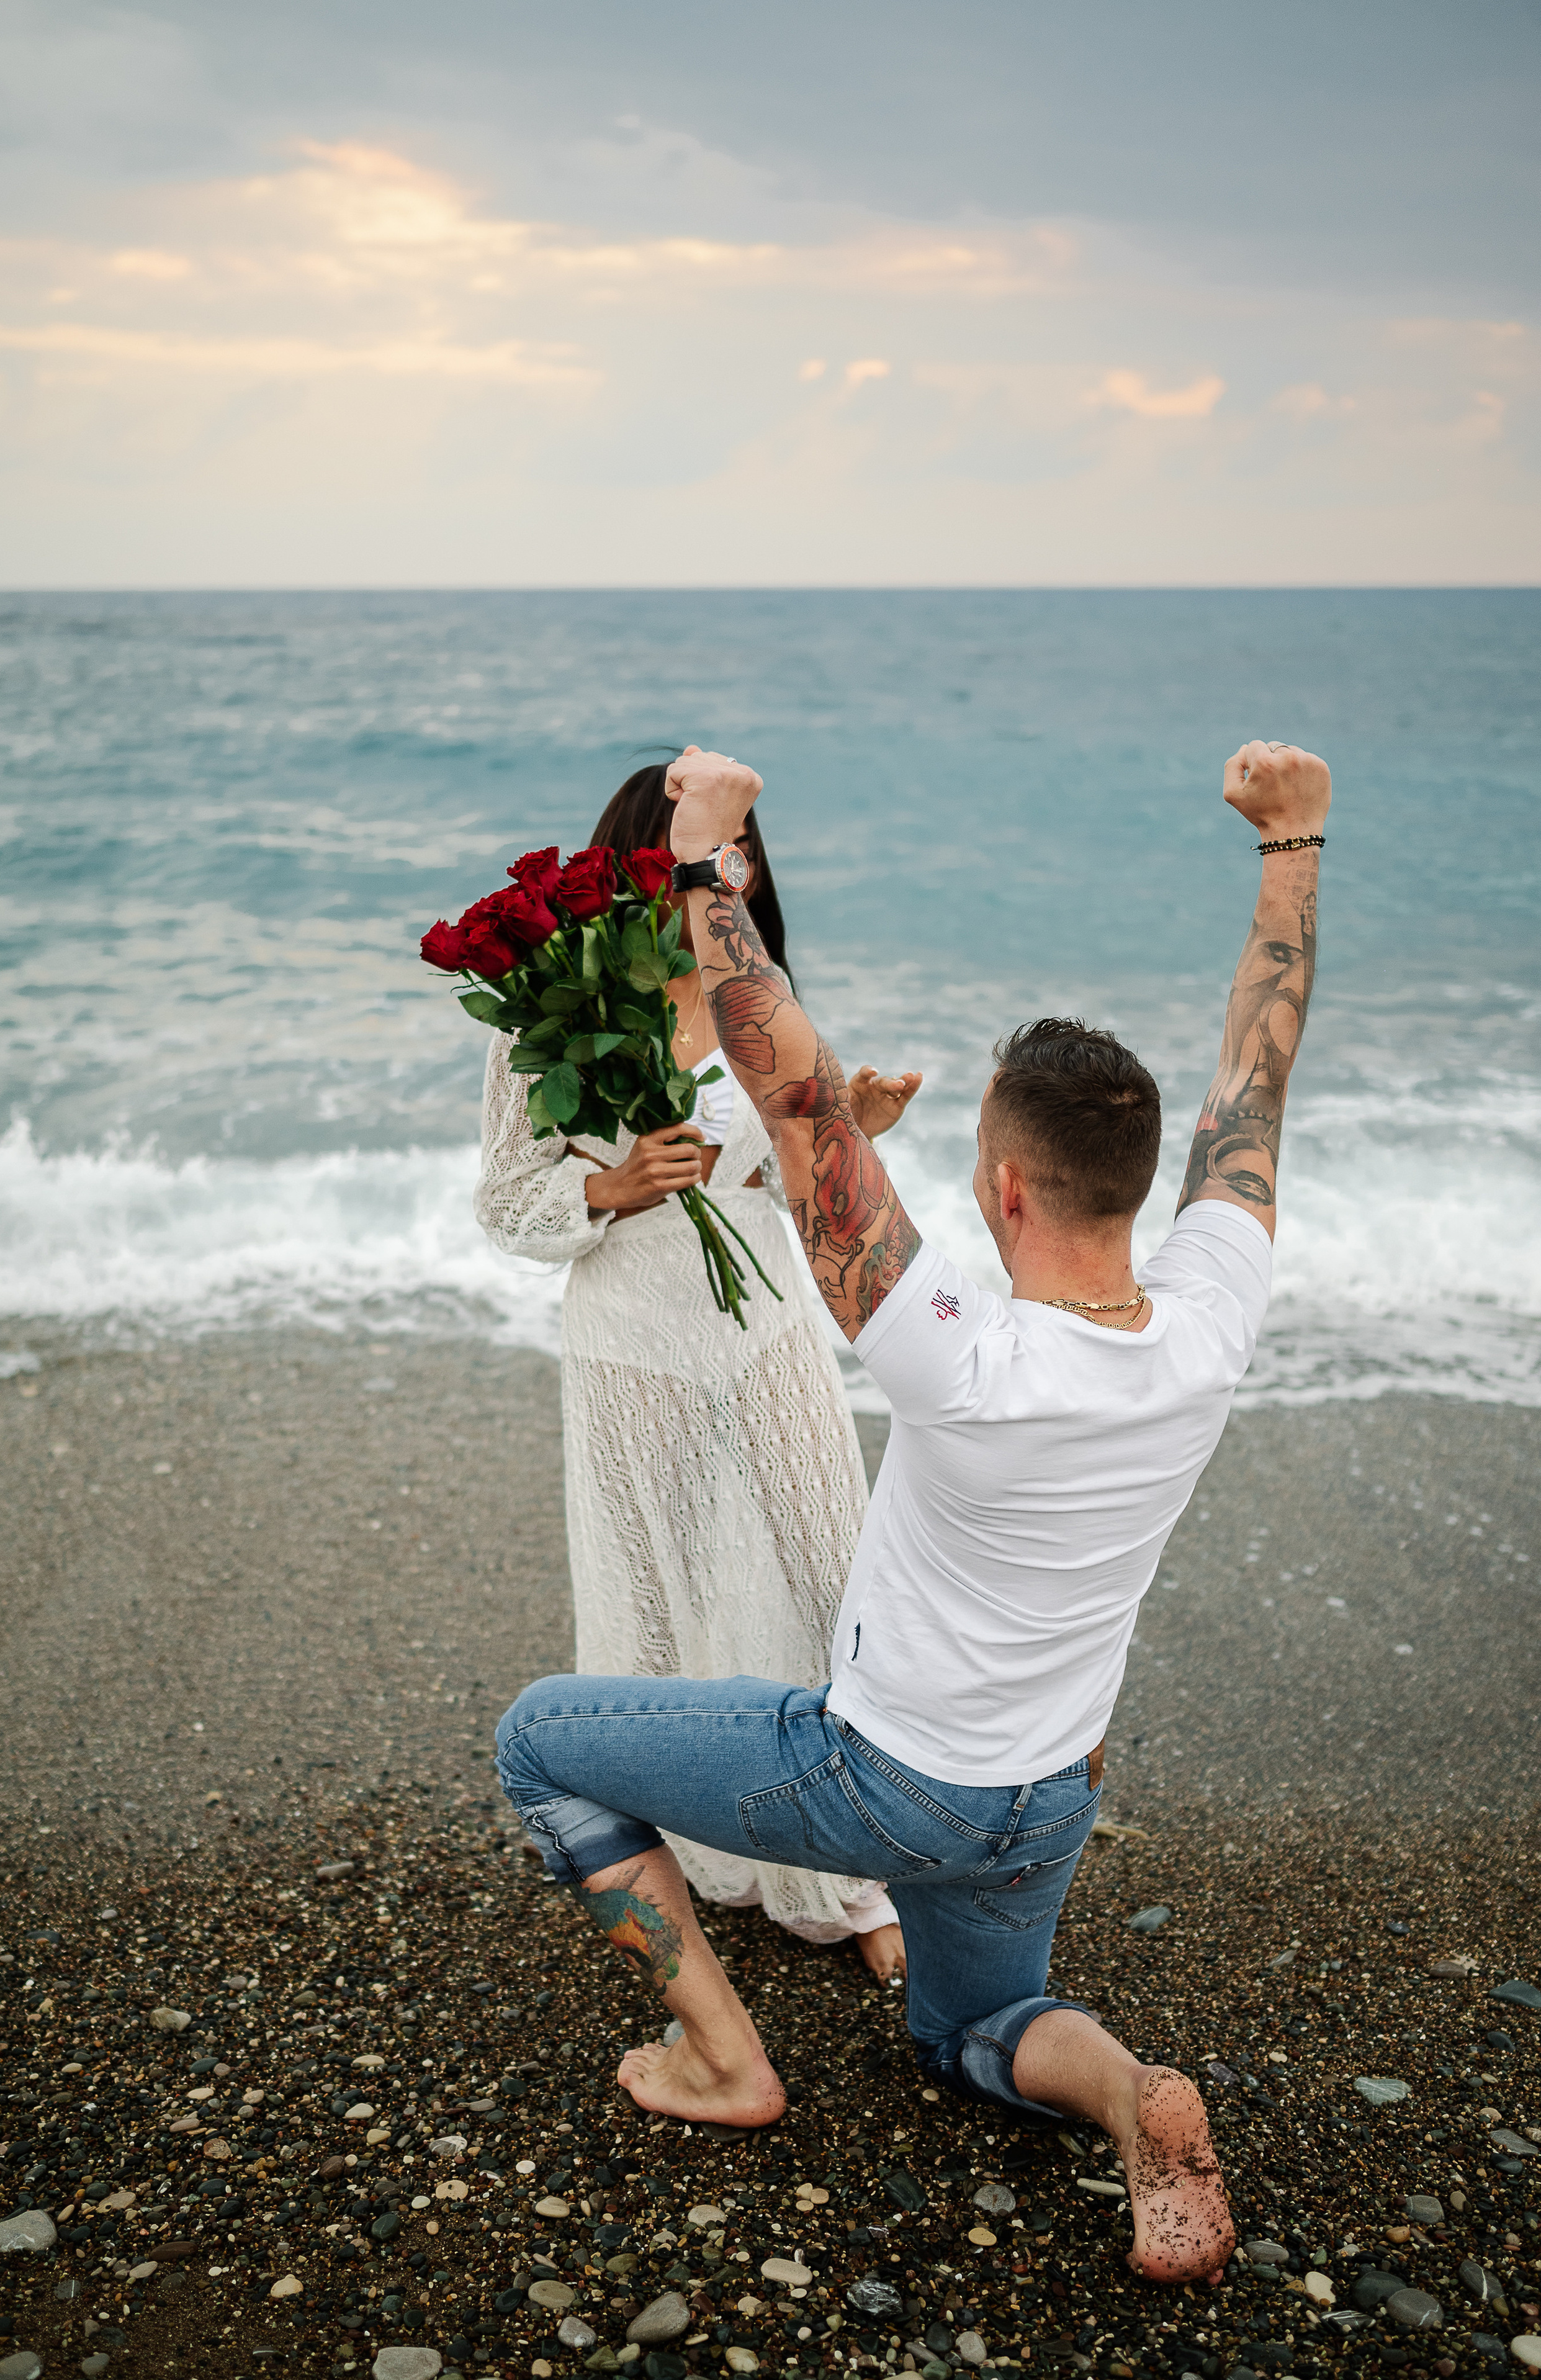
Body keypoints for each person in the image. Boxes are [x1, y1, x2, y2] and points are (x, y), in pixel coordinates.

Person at [495, 736, 1329, 2283]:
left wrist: (699, 851)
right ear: (1147, 1183)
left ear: (1004, 1191)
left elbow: (782, 1080)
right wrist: (1291, 850)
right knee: (971, 2035)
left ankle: (722, 2057)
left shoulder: (958, 1353)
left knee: (537, 1741)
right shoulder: (1212, 1310)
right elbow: (1253, 1078)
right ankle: (1122, 2090)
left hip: (883, 1784)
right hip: (1049, 1797)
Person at [474, 760, 921, 1977]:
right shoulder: (552, 1013)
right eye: (708, 851)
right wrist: (608, 1188)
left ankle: (861, 1876)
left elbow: (780, 1173)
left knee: (820, 1558)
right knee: (658, 1589)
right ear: (642, 861)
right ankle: (701, 1844)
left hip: (763, 1319)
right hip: (630, 1337)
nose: (733, 873)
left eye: (742, 853)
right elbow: (504, 1200)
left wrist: (847, 1134)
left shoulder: (749, 995)